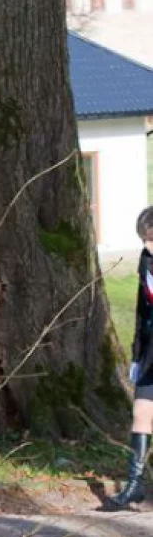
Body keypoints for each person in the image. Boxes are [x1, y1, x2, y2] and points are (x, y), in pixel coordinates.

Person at [105, 206, 153, 509]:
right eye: (144, 240)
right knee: (140, 415)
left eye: (151, 239)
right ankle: (134, 486)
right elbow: (141, 310)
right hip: (150, 353)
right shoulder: (145, 261)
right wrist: (136, 354)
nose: (147, 246)